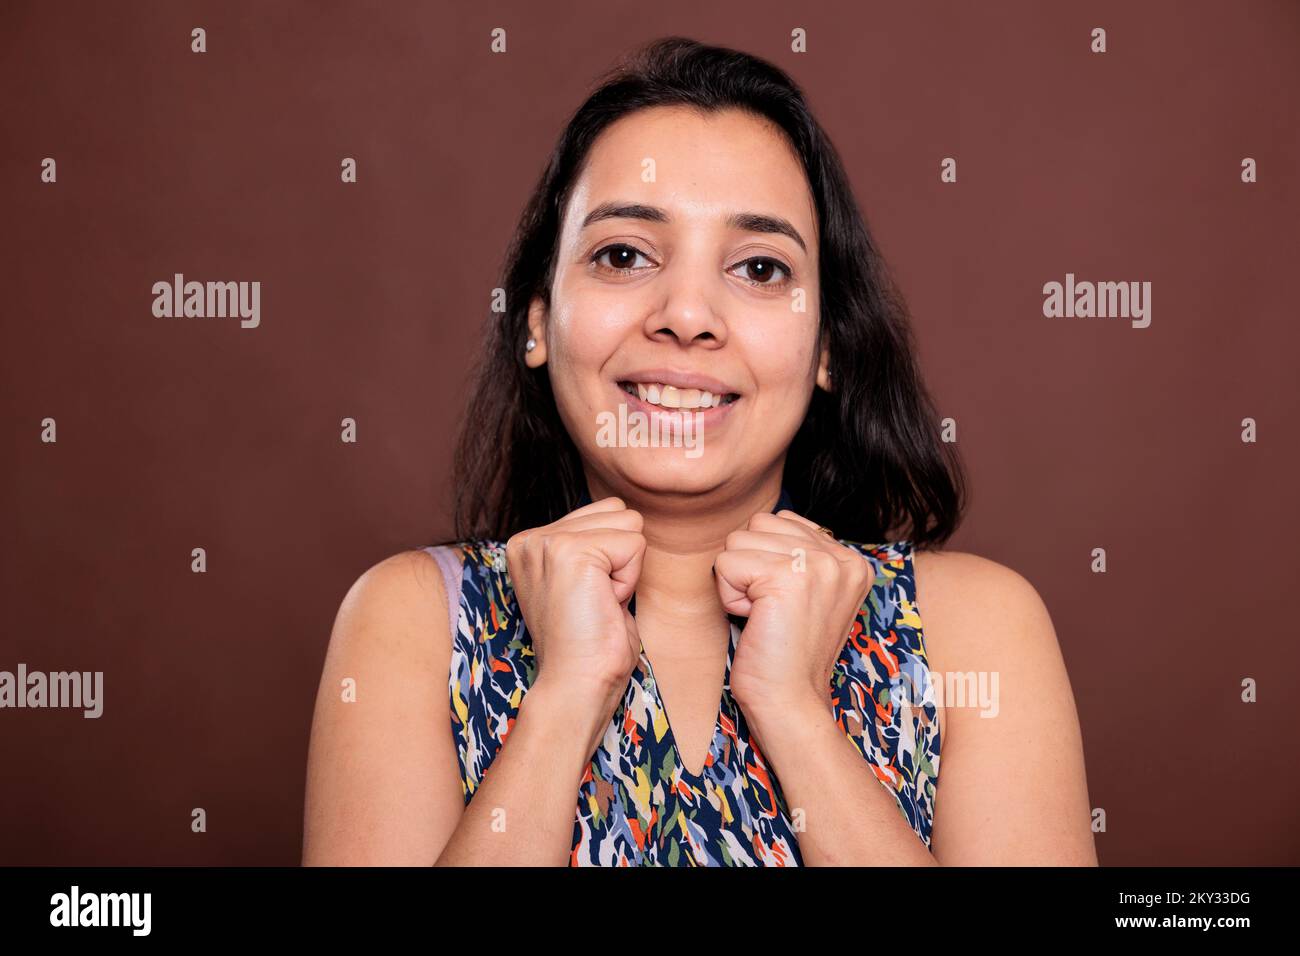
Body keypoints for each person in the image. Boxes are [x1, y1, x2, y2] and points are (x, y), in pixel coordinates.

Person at [302, 36, 1097, 867]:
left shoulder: (974, 630)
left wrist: (791, 710)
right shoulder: (411, 623)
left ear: (828, 347)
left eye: (758, 267)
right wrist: (564, 699)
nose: (688, 314)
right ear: (536, 319)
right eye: (623, 255)